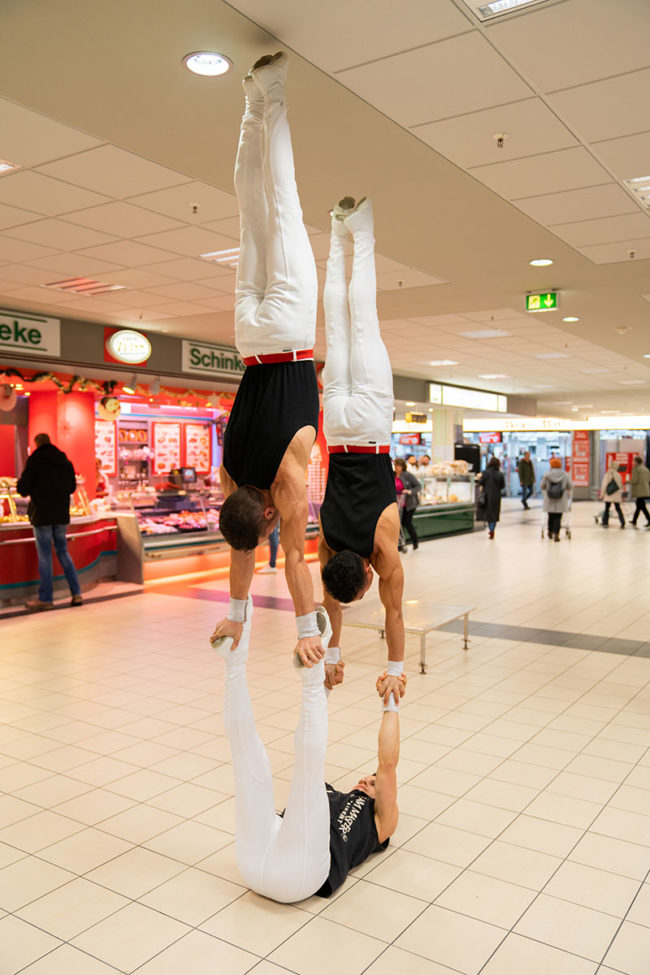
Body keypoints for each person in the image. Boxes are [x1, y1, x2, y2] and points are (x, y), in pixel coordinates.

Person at [211, 52, 323, 667]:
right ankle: (251, 103)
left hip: (287, 331)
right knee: (251, 215)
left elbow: (299, 558)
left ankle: (271, 91)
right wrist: (233, 615)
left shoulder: (284, 482)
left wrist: (308, 628)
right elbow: (239, 543)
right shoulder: (231, 480)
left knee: (282, 206)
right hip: (248, 341)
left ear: (269, 517)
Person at [215, 598, 400, 902]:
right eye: (367, 778)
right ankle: (235, 656)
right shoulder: (332, 795)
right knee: (253, 764)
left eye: (373, 784)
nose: (367, 781)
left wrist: (391, 703)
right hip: (257, 854)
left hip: (300, 876)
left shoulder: (378, 823)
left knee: (308, 773)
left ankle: (313, 674)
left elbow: (388, 764)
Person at [317, 197, 405, 698]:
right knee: (337, 325)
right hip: (338, 429)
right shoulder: (327, 544)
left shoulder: (382, 546)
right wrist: (331, 653)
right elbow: (330, 600)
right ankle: (335, 231)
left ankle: (363, 229)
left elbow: (394, 611)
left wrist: (394, 670)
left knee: (363, 317)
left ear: (368, 574)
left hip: (371, 428)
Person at [17, 433, 83, 610]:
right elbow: (72, 488)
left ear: (37, 444)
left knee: (45, 555)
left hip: (42, 515)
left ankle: (45, 598)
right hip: (61, 515)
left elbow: (22, 489)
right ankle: (76, 593)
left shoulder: (35, 461)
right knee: (63, 552)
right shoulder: (65, 462)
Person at [541, 456, 572, 540]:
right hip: (561, 499)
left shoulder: (547, 474)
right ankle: (556, 533)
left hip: (549, 498)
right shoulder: (565, 475)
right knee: (558, 516)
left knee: (550, 515)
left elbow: (542, 486)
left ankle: (550, 531)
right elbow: (570, 486)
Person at [394, 457, 420, 551]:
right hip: (398, 504)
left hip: (409, 504)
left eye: (398, 465)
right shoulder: (393, 475)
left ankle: (415, 541)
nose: (396, 467)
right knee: (399, 524)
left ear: (402, 466)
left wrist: (409, 491)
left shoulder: (408, 475)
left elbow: (418, 486)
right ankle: (401, 544)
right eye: (395, 465)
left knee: (407, 522)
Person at [477, 455, 505, 539]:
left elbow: (480, 482)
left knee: (488, 514)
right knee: (495, 514)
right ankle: (493, 529)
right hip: (496, 496)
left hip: (487, 495)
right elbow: (502, 485)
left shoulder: (485, 472)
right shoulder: (500, 474)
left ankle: (490, 528)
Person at [600, 462, 625, 529]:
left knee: (607, 508)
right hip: (616, 495)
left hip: (609, 494)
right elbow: (621, 486)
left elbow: (604, 485)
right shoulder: (619, 475)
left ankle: (605, 522)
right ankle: (622, 521)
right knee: (618, 508)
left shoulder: (608, 474)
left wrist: (602, 494)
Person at [629, 455, 650, 529]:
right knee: (639, 505)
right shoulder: (646, 469)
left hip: (639, 490)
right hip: (645, 489)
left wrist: (628, 481)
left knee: (642, 506)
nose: (633, 462)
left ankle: (649, 519)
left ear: (636, 462)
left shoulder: (636, 469)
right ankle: (634, 520)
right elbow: (648, 479)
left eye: (634, 461)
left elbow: (635, 480)